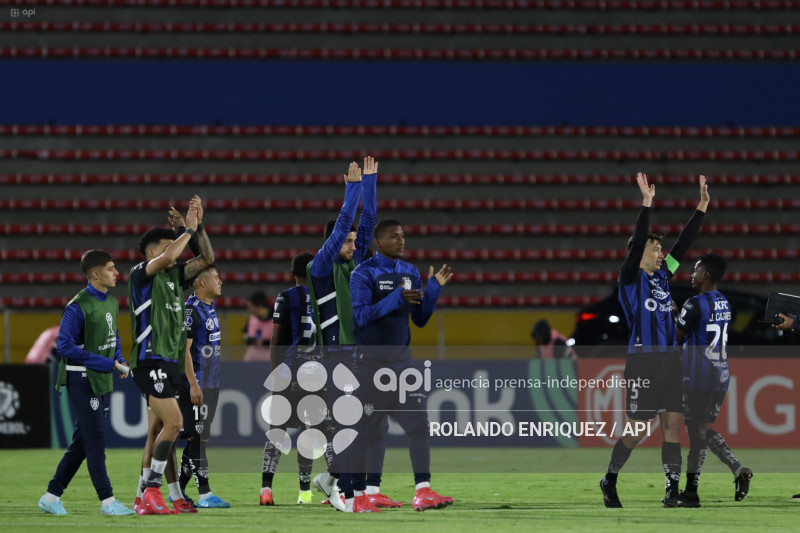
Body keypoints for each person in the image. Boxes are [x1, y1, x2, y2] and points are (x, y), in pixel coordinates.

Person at [599, 172, 709, 509]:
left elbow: (684, 244)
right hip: (642, 361)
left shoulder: (662, 276)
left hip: (669, 361)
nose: (662, 253)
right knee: (636, 432)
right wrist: (646, 203)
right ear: (638, 252)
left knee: (672, 426)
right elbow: (639, 243)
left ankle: (671, 491)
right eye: (656, 247)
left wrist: (702, 207)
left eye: (661, 248)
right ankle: (610, 478)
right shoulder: (630, 278)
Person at [306, 158, 398, 511]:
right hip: (335, 357)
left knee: (372, 424)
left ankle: (357, 490)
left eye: (354, 241)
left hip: (360, 356)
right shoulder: (321, 268)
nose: (352, 244)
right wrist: (353, 189)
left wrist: (371, 184)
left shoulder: (354, 265)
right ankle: (345, 491)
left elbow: (368, 223)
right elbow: (346, 222)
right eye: (346, 241)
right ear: (333, 243)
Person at [345, 218, 455, 513]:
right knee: (367, 431)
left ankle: (423, 491)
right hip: (369, 365)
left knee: (419, 426)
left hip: (402, 365)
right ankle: (360, 495)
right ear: (378, 243)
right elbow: (360, 317)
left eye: (403, 236)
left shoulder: (409, 272)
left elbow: (418, 319)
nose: (401, 241)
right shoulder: (362, 273)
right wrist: (395, 298)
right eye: (394, 237)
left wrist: (432, 291)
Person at [129, 196, 215, 515]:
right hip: (150, 361)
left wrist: (195, 228)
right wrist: (187, 232)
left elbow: (207, 257)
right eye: (170, 245)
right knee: (176, 423)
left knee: (159, 430)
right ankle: (152, 490)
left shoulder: (174, 278)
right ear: (154, 252)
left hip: (171, 363)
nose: (176, 251)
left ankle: (148, 498)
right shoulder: (142, 275)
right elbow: (170, 257)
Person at [38, 250, 134, 516]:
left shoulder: (111, 302)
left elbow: (111, 338)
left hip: (100, 377)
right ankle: (108, 501)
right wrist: (107, 364)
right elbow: (64, 346)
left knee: (82, 443)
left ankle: (50, 496)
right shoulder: (77, 306)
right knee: (95, 441)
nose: (117, 273)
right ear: (95, 274)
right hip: (81, 378)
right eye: (111, 268)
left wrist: (119, 359)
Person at [675, 253, 753, 504]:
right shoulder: (724, 302)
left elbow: (676, 336)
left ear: (706, 275)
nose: (692, 274)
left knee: (697, 432)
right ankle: (737, 470)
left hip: (699, 375)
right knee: (702, 429)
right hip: (720, 374)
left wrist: (669, 315)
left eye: (696, 270)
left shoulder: (693, 304)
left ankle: (691, 492)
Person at [260, 252, 319, 506]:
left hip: (288, 370)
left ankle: (266, 490)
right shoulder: (323, 297)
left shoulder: (285, 296)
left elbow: (276, 340)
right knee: (309, 433)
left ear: (292, 275)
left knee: (277, 432)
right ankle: (304, 493)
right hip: (315, 375)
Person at [177, 265, 231, 508]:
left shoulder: (209, 306)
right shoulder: (191, 310)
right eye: (215, 277)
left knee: (199, 439)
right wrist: (193, 383)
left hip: (211, 383)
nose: (221, 281)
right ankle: (205, 495)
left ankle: (177, 490)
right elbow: (183, 350)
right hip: (198, 383)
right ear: (201, 283)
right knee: (197, 438)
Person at [243, 291, 274, 362]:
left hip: (269, 361)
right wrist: (247, 338)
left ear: (259, 306)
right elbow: (245, 332)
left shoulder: (277, 319)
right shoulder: (252, 318)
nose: (249, 310)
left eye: (250, 307)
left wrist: (262, 343)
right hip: (251, 359)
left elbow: (281, 342)